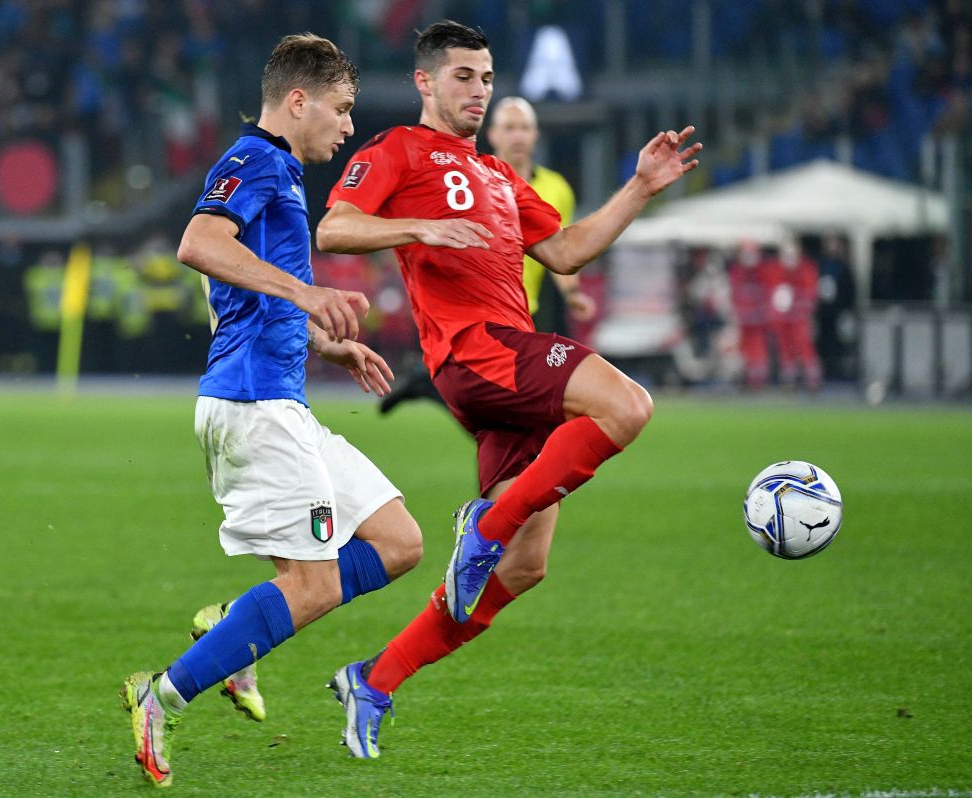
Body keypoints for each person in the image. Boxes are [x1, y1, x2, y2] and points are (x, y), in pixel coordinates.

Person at [315, 20, 701, 758]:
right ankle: (483, 528)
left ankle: (376, 679)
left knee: (525, 567)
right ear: (426, 82)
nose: (478, 91)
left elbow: (566, 251)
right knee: (627, 404)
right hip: (478, 351)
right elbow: (335, 230)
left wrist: (642, 186)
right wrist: (420, 228)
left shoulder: (497, 175)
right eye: (463, 76)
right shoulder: (397, 149)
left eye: (487, 78)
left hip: (504, 371)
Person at [118, 34, 424, 787]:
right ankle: (159, 695)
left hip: (281, 396)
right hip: (252, 406)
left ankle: (232, 626)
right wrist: (308, 293)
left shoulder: (280, 171)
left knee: (397, 540)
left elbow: (248, 292)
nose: (348, 127)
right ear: (299, 100)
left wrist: (327, 340)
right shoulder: (253, 160)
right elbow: (198, 242)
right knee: (314, 585)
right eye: (342, 110)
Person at [378, 94, 595, 415]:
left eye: (524, 128)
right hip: (474, 308)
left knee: (505, 411)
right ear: (492, 134)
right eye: (509, 128)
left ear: (535, 135)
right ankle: (431, 383)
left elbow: (559, 246)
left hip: (522, 310)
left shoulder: (557, 187)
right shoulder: (468, 179)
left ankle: (427, 383)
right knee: (514, 411)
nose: (517, 136)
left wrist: (572, 293)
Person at [766, 239, 822, 391]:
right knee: (786, 349)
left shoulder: (806, 270)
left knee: (804, 347)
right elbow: (774, 294)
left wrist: (802, 311)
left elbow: (810, 295)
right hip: (784, 320)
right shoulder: (777, 271)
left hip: (800, 319)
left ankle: (812, 379)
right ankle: (789, 379)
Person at [728, 239, 773, 390]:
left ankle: (758, 380)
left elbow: (767, 295)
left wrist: (763, 314)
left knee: (758, 350)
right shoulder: (738, 272)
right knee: (745, 350)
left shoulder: (762, 272)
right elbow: (735, 295)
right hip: (744, 320)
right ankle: (748, 378)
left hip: (757, 321)